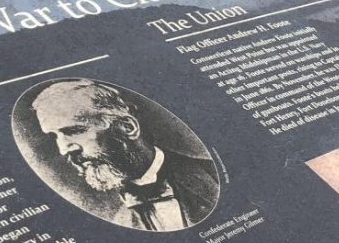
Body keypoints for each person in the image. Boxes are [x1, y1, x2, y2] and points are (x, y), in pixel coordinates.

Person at [32, 79, 217, 231]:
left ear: (127, 127)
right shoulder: (118, 221)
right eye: (55, 136)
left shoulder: (213, 176)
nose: (64, 149)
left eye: (75, 130)